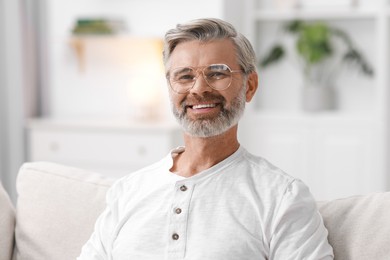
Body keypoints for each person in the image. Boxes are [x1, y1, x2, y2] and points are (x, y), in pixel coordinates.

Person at [78, 18, 334, 259]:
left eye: (217, 73)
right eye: (185, 76)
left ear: (250, 85)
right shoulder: (127, 192)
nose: (199, 88)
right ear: (170, 87)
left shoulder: (281, 197)